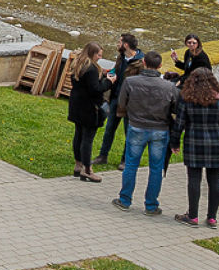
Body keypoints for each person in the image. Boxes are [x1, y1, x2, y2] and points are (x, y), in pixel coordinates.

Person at [112, 50, 177, 214]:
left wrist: (130, 113)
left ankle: (125, 199)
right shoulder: (169, 87)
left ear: (144, 63)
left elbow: (121, 103)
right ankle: (151, 205)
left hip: (137, 125)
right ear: (160, 66)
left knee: (131, 164)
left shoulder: (131, 82)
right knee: (156, 168)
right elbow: (175, 108)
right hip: (160, 129)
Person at [171, 67, 219, 227]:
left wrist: (175, 142)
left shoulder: (187, 99)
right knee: (214, 180)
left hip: (194, 140)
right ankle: (212, 218)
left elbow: (179, 123)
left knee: (194, 179)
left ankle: (193, 216)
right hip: (216, 142)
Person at [93, 33, 141, 166]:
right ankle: (103, 156)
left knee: (129, 133)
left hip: (130, 104)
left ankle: (125, 160)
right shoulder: (121, 57)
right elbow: (116, 71)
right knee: (109, 129)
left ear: (126, 45)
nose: (117, 44)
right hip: (115, 99)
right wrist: (108, 73)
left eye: (119, 42)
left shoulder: (140, 62)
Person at [64, 41, 106, 182]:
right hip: (89, 108)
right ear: (93, 54)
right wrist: (109, 82)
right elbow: (95, 89)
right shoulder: (92, 68)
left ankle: (78, 165)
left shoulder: (78, 64)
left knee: (79, 135)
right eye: (99, 55)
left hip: (77, 105)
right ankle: (87, 169)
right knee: (87, 138)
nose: (100, 58)